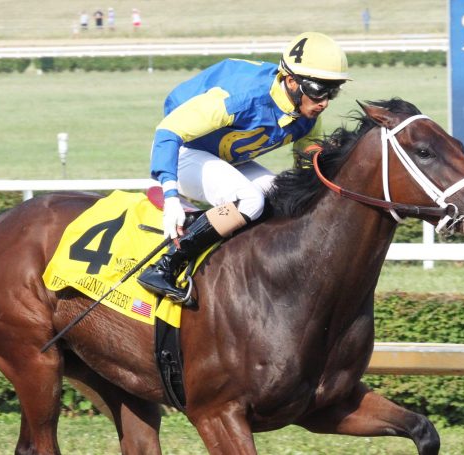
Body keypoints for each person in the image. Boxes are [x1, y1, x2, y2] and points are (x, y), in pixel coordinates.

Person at [137, 32, 351, 302]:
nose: (324, 102)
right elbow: (168, 131)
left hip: (224, 159)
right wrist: (170, 197)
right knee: (250, 200)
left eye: (333, 91)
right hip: (181, 153)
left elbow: (308, 163)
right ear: (291, 82)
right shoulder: (241, 99)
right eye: (319, 90)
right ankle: (165, 265)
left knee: (280, 197)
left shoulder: (307, 114)